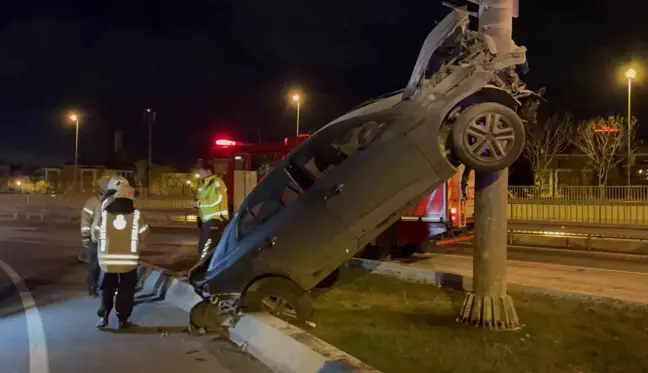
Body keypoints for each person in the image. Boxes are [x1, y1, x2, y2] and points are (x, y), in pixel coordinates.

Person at [91, 176, 149, 329]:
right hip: (129, 262)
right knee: (126, 290)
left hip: (107, 261)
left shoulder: (104, 214)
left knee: (107, 289)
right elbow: (144, 234)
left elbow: (94, 233)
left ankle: (104, 317)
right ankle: (123, 320)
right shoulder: (137, 215)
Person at [80, 176, 110, 297]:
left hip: (111, 239)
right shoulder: (94, 201)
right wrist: (86, 236)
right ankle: (92, 286)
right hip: (96, 239)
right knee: (96, 264)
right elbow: (85, 219)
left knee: (110, 265)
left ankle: (107, 287)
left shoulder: (116, 200)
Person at [194, 162, 229, 261]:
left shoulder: (216, 182)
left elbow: (216, 199)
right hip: (207, 222)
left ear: (208, 171)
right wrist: (196, 204)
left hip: (215, 220)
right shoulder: (204, 185)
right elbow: (204, 202)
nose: (198, 173)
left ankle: (203, 273)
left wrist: (198, 204)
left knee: (206, 249)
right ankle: (205, 271)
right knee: (206, 249)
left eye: (200, 170)